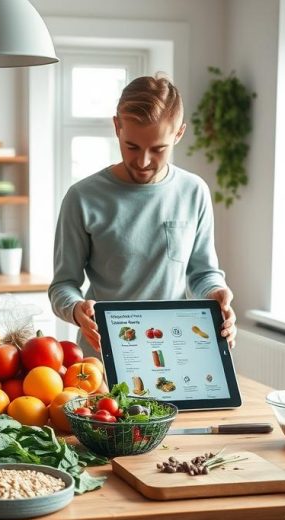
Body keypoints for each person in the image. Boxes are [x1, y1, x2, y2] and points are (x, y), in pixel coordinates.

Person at [48, 74, 237, 356]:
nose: (143, 161)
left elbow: (202, 273)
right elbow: (63, 286)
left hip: (174, 351)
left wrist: (216, 293)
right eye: (132, 146)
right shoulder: (82, 197)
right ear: (117, 127)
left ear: (179, 134)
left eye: (159, 149)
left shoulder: (194, 191)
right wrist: (77, 310)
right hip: (102, 358)